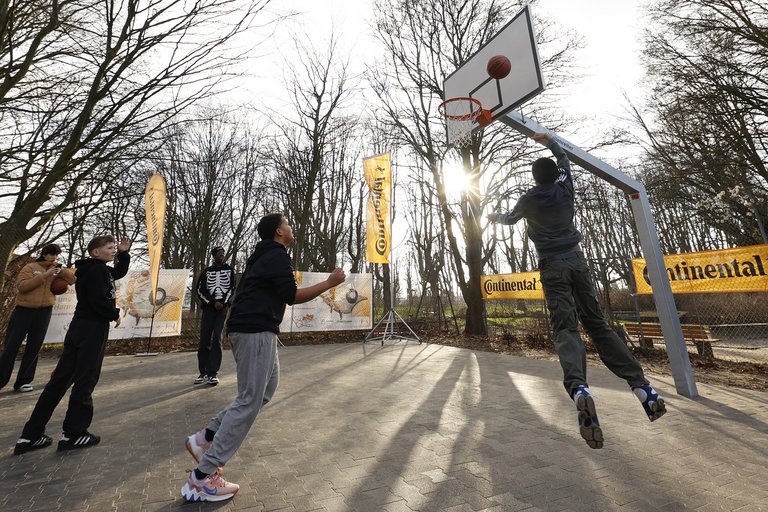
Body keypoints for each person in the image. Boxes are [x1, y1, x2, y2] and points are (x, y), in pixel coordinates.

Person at [487, 132, 666, 450]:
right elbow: (565, 160)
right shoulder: (565, 187)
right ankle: (642, 388)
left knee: (566, 327)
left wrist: (493, 215)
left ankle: (580, 388)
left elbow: (510, 219)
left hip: (553, 266)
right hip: (577, 262)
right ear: (555, 176)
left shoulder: (528, 199)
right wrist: (550, 142)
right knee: (598, 325)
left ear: (534, 177)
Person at [180, 213, 346, 502]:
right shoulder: (277, 256)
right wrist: (330, 282)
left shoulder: (262, 256)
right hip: (256, 330)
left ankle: (204, 438)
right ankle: (202, 477)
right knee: (249, 400)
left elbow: (245, 292)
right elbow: (291, 295)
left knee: (264, 391)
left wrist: (230, 326)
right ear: (279, 232)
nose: (291, 226)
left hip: (255, 328)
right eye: (287, 223)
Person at [14, 235, 131, 455]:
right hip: (92, 330)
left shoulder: (90, 269)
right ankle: (74, 433)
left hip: (78, 329)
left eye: (115, 248)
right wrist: (115, 313)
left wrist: (124, 253)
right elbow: (98, 300)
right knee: (85, 380)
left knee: (59, 382)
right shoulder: (97, 271)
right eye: (110, 248)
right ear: (95, 252)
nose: (113, 250)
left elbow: (118, 273)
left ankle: (29, 435)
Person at [0, 244, 76, 393]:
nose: (54, 257)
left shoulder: (57, 268)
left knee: (35, 346)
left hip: (44, 311)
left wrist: (63, 271)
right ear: (44, 254)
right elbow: (22, 287)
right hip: (23, 310)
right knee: (11, 346)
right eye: (52, 254)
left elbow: (73, 279)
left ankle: (24, 381)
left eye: (57, 255)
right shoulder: (30, 267)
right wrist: (45, 275)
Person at [194, 246, 236, 386]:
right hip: (209, 309)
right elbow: (200, 290)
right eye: (219, 254)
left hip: (222, 310)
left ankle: (213, 373)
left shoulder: (229, 270)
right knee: (205, 337)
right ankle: (203, 372)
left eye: (223, 254)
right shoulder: (207, 272)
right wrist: (212, 302)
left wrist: (224, 303)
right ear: (213, 256)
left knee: (217, 337)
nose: (221, 256)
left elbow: (231, 288)